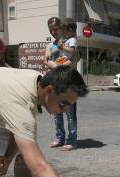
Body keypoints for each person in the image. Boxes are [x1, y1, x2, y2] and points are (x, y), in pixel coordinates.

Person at [45, 17, 79, 151]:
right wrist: (57, 67)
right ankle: (60, 138)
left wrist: (57, 67)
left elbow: (75, 58)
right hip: (55, 84)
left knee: (70, 113)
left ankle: (72, 140)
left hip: (69, 83)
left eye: (56, 29)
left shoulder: (70, 42)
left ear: (61, 28)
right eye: (51, 30)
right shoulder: (51, 45)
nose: (53, 32)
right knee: (56, 112)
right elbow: (46, 60)